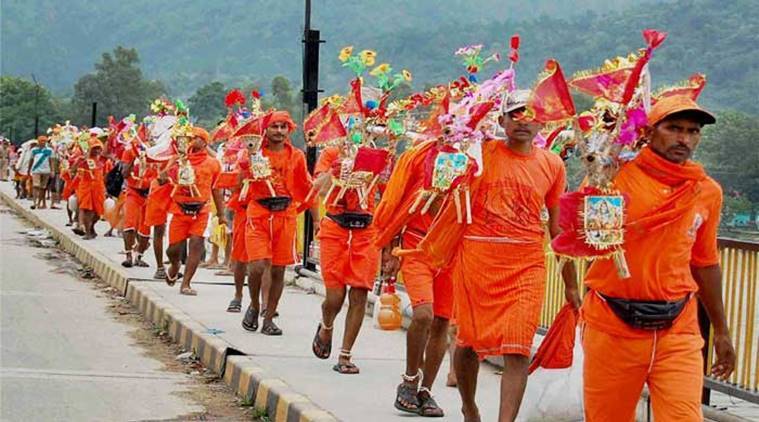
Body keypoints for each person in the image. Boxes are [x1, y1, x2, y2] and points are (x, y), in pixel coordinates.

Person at [418, 90, 579, 422]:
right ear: (501, 120)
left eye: (530, 114)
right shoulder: (479, 156)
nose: (523, 121)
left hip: (526, 265)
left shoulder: (552, 164)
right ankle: (469, 405)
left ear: (541, 123)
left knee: (518, 349)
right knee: (467, 344)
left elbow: (558, 227)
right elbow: (441, 196)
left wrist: (571, 283)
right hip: (477, 260)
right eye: (515, 114)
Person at [581, 95, 735, 422]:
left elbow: (705, 262)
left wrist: (720, 329)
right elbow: (587, 241)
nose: (684, 138)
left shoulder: (706, 191)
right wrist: (598, 186)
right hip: (613, 324)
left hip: (677, 327)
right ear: (649, 131)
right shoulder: (612, 178)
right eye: (674, 128)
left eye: (693, 131)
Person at [374, 139, 451, 416]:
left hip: (453, 252)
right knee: (423, 314)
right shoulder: (420, 156)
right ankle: (409, 380)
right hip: (416, 246)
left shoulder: (479, 159)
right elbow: (399, 202)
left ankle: (426, 391)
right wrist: (391, 250)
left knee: (442, 321)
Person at [310, 143, 382, 375]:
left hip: (366, 231)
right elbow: (318, 189)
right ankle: (327, 325)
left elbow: (387, 190)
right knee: (335, 297)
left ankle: (345, 354)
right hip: (335, 229)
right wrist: (336, 171)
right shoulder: (331, 153)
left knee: (359, 293)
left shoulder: (376, 155)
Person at [241, 111, 314, 335]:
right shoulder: (254, 153)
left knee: (279, 270)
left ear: (289, 130)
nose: (279, 131)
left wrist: (317, 218)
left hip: (285, 214)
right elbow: (240, 177)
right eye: (274, 127)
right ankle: (254, 304)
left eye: (283, 127)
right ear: (266, 129)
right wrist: (249, 160)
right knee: (257, 266)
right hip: (259, 212)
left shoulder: (297, 156)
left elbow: (306, 186)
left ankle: (269, 318)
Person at [160, 126, 225, 295]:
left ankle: (186, 283)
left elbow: (216, 190)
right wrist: (170, 169)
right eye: (188, 138)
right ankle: (174, 265)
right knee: (173, 249)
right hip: (179, 209)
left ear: (204, 142)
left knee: (197, 243)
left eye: (194, 137)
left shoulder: (213, 163)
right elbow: (162, 179)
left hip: (201, 210)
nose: (190, 141)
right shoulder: (178, 159)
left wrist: (222, 214)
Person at [120, 135, 158, 267]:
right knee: (130, 224)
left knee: (145, 228)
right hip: (133, 192)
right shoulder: (130, 151)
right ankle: (128, 255)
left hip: (150, 195)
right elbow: (124, 174)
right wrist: (134, 158)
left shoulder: (158, 152)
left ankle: (139, 256)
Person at [72, 137, 107, 239]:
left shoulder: (101, 160)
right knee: (86, 209)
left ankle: (91, 228)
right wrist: (80, 160)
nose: (96, 151)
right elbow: (73, 170)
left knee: (97, 213)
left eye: (98, 148)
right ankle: (86, 230)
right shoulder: (83, 159)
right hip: (86, 187)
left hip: (99, 188)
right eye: (94, 148)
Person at [28, 135, 54, 210]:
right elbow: (31, 160)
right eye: (41, 141)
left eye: (44, 141)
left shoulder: (49, 150)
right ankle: (34, 202)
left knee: (43, 188)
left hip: (46, 171)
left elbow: (51, 161)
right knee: (36, 186)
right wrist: (29, 169)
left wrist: (52, 170)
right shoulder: (33, 150)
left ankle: (39, 203)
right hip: (36, 170)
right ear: (38, 142)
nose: (43, 142)